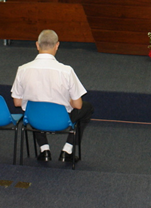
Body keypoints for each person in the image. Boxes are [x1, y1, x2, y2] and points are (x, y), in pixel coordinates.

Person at [11, 29, 94, 163]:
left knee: (34, 106)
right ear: (57, 45)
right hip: (61, 120)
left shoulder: (22, 69)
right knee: (87, 108)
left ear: (37, 45)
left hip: (35, 119)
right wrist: (67, 101)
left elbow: (17, 102)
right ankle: (67, 150)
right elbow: (77, 105)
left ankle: (44, 150)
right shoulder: (66, 71)